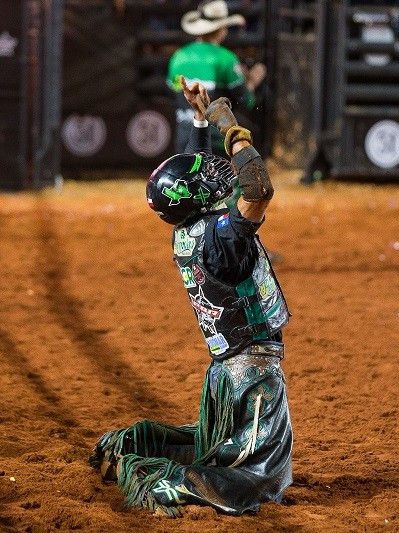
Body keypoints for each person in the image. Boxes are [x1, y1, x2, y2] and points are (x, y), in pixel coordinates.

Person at [89, 79, 292, 517]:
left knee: (218, 444)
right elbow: (258, 190)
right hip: (251, 374)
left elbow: (187, 175)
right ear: (197, 197)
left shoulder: (190, 230)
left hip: (226, 371)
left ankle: (131, 446)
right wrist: (229, 125)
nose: (213, 172)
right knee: (261, 478)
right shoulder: (221, 240)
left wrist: (198, 119)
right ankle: (164, 480)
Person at [167, 0, 266, 153]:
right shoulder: (226, 59)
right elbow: (247, 100)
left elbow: (172, 92)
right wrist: (253, 81)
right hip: (216, 143)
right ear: (222, 29)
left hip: (185, 138)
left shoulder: (178, 57)